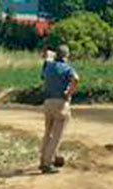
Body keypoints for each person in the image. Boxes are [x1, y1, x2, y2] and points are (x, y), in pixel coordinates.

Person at [39, 44, 79, 174]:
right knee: (57, 135)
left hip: (47, 102)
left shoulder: (49, 67)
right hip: (60, 103)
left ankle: (43, 159)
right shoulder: (67, 68)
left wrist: (48, 58)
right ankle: (47, 162)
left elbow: (43, 75)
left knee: (48, 133)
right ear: (67, 56)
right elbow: (76, 79)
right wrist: (69, 92)